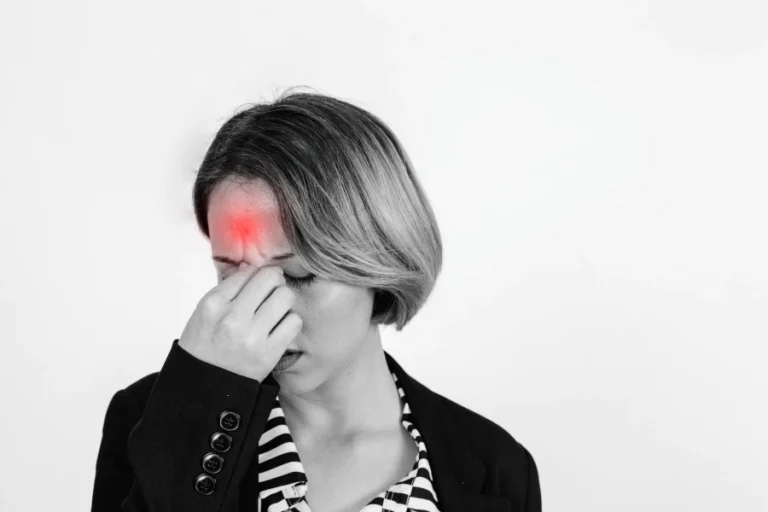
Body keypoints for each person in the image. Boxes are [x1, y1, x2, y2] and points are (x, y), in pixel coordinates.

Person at [91, 90, 541, 512]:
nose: (261, 308)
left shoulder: (495, 466)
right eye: (231, 270)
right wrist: (203, 400)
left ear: (380, 261)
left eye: (298, 275)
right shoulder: (152, 421)